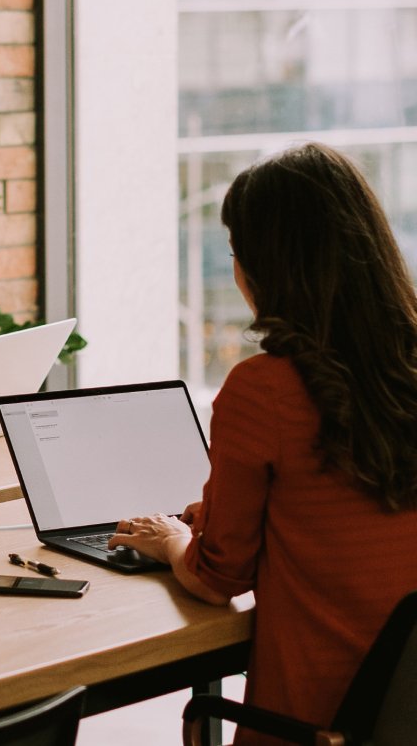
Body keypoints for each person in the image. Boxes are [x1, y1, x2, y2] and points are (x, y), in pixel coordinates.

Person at [109, 143, 417, 743]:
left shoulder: (265, 390)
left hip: (316, 727)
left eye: (235, 254)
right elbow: (334, 520)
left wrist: (175, 540)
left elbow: (215, 580)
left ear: (268, 267)